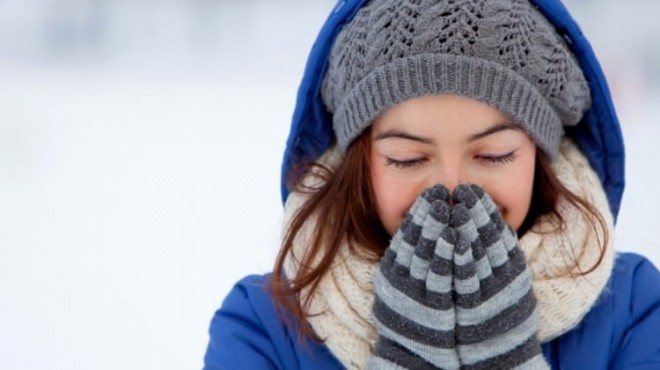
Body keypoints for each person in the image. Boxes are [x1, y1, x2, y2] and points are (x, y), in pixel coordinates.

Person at [203, 0, 660, 369]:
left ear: (539, 156)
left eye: (493, 154)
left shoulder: (634, 310)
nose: (452, 188)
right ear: (359, 165)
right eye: (407, 158)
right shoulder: (263, 329)